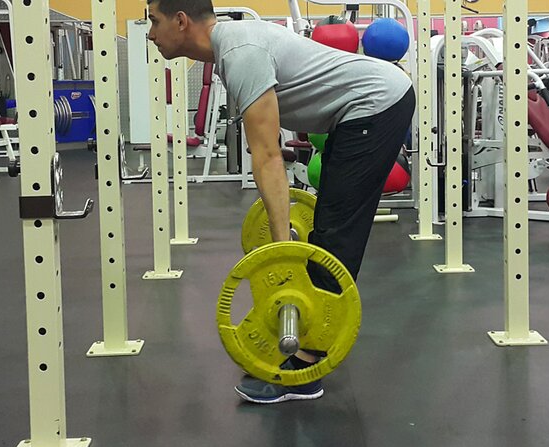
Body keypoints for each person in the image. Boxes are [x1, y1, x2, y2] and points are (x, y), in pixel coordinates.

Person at [146, 0, 414, 404]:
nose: (151, 35)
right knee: (329, 226)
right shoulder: (232, 49)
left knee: (337, 234)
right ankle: (308, 341)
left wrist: (282, 246)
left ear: (181, 21)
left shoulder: (241, 52)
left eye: (154, 22)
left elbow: (268, 155)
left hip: (376, 103)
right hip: (359, 110)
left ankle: (305, 368)